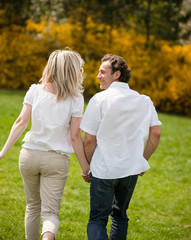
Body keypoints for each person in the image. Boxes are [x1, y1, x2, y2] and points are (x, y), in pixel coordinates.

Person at [0, 49, 90, 240]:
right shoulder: (76, 98)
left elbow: (20, 122)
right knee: (50, 213)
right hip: (56, 160)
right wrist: (85, 168)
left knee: (32, 205)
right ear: (73, 70)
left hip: (29, 156)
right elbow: (75, 136)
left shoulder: (34, 90)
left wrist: (2, 152)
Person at [80, 54, 161, 240]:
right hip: (131, 170)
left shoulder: (99, 100)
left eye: (102, 72)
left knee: (97, 220)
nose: (98, 76)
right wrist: (142, 161)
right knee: (120, 216)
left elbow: (89, 140)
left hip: (104, 170)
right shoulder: (145, 100)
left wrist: (91, 165)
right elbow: (156, 133)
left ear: (116, 74)